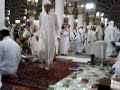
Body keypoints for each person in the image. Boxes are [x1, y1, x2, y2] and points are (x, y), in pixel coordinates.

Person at [37, 0, 59, 70]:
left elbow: (57, 26)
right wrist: (38, 34)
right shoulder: (41, 15)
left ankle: (47, 63)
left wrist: (58, 35)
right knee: (41, 49)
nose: (46, 8)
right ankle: (43, 61)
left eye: (47, 6)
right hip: (42, 34)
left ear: (50, 7)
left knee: (49, 49)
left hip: (51, 35)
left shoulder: (54, 15)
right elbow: (40, 25)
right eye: (45, 6)